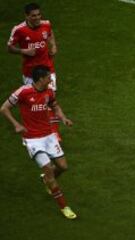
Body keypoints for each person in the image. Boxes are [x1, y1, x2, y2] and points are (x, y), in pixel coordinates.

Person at [0, 65, 77, 220]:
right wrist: (16, 125)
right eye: (49, 77)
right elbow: (4, 108)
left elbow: (55, 106)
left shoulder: (49, 92)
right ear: (41, 78)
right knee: (49, 169)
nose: (51, 79)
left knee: (63, 166)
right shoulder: (23, 92)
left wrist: (63, 118)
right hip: (32, 139)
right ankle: (64, 206)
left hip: (49, 136)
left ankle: (46, 180)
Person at [7, 3, 61, 140]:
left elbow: (50, 34)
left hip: (47, 69)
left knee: (50, 100)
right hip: (30, 73)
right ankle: (32, 132)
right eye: (33, 16)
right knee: (33, 104)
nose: (37, 18)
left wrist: (53, 45)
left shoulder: (46, 24)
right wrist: (23, 51)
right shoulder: (19, 30)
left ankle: (53, 132)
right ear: (26, 16)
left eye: (38, 15)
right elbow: (10, 47)